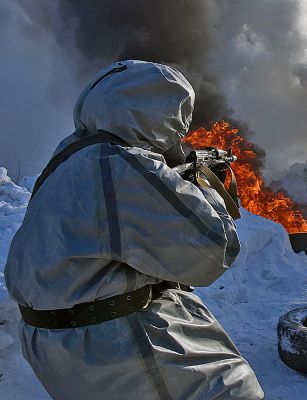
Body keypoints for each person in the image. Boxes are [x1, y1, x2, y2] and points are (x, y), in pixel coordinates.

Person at [4, 60, 264, 400]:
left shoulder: (71, 154)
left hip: (67, 346)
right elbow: (213, 252)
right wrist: (202, 189)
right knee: (232, 389)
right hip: (118, 345)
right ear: (159, 113)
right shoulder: (120, 164)